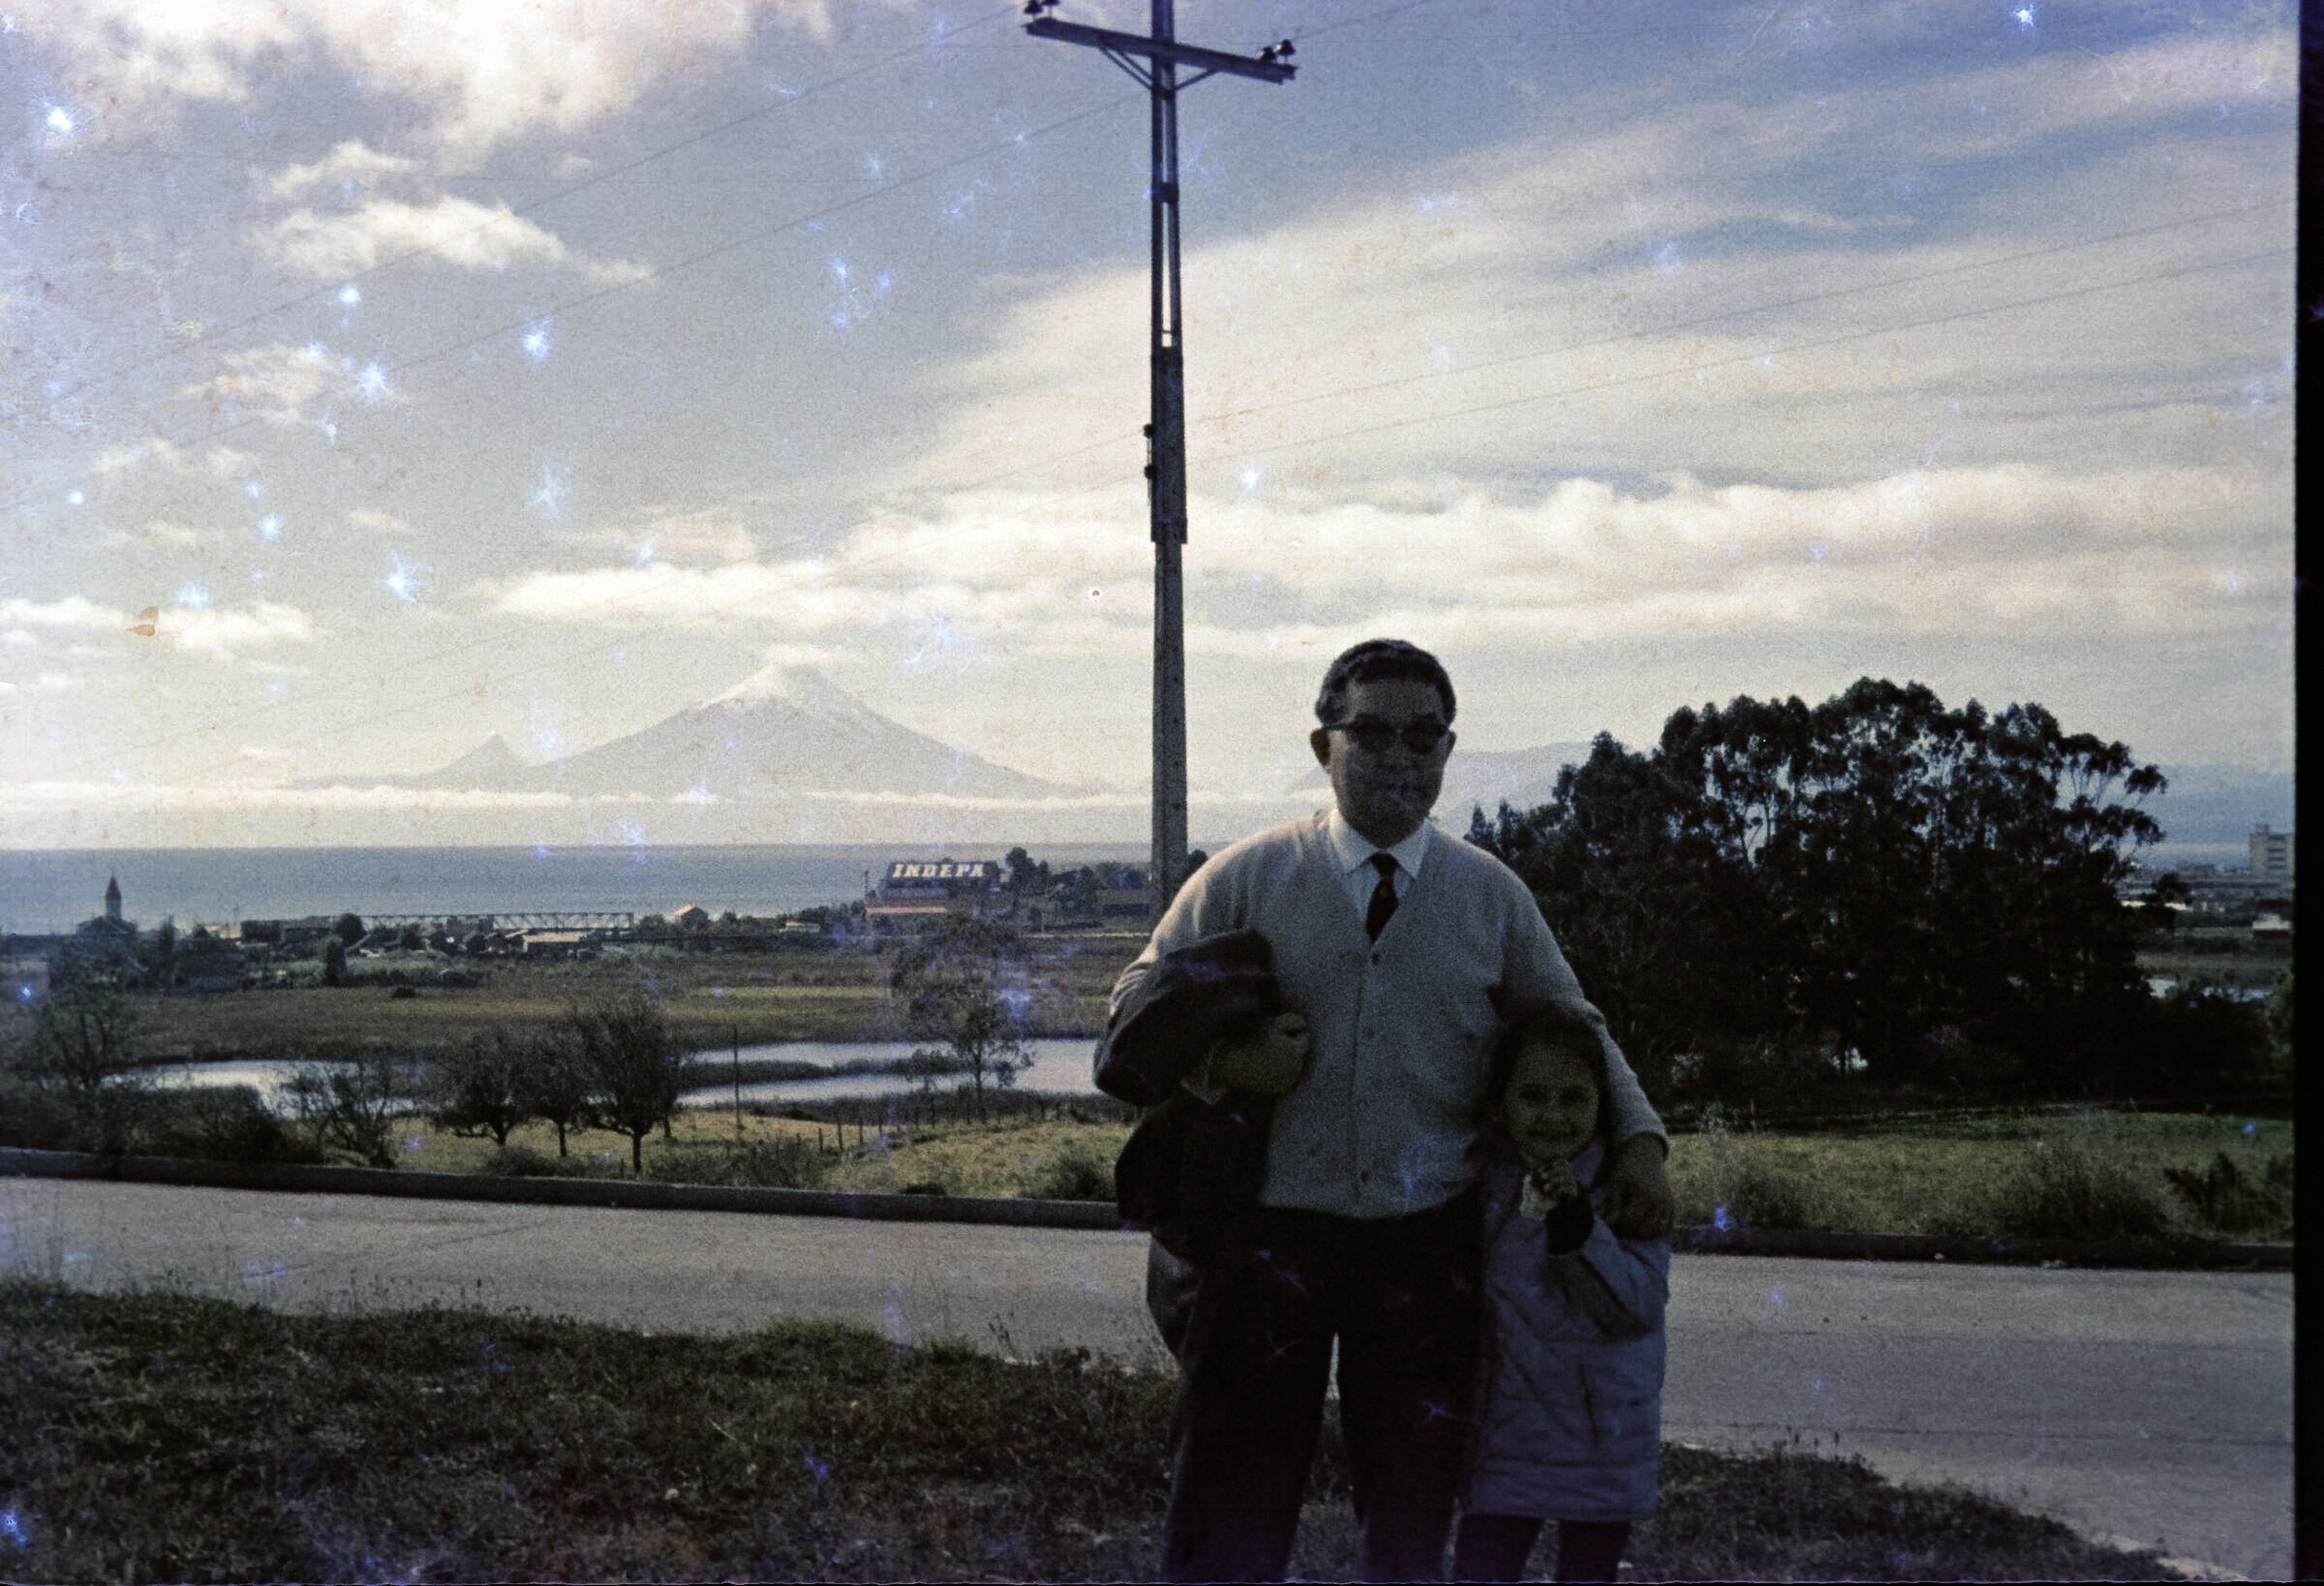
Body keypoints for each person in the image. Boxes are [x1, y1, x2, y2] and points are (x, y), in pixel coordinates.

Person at [1110, 637, 1674, 1582]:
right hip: (1262, 1243)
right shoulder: (1246, 876)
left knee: (1410, 1509)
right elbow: (1127, 1015)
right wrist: (1225, 1059)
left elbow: (1575, 1022)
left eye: (1424, 735)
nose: (1399, 756)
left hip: (1424, 1244)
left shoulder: (1489, 894)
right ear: (1321, 744)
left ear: (1448, 751)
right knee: (1227, 1508)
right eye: (1370, 731)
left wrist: (1643, 1142)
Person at [1453, 1002, 1670, 1584]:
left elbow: (1638, 1307)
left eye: (1574, 1098)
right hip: (1506, 1441)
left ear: (1605, 1105)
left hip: (1601, 1445)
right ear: (1501, 1103)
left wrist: (1576, 1225)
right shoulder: (1480, 1185)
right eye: (1532, 1096)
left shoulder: (1627, 1187)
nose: (1553, 1116)